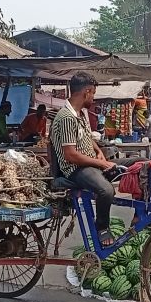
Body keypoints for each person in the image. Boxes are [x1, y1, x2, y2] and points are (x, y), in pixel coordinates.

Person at [51, 73, 120, 246]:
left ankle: (137, 218)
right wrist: (102, 164)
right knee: (106, 190)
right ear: (87, 92)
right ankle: (102, 227)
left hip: (90, 163)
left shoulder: (81, 114)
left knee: (136, 164)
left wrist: (99, 152)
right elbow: (71, 155)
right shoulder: (67, 117)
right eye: (93, 94)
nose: (93, 98)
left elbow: (87, 137)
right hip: (75, 170)